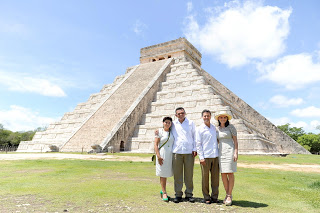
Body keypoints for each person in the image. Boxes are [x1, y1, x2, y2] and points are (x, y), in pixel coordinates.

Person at [171, 107, 197, 203]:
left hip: (189, 151)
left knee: (189, 175)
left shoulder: (191, 123)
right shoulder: (173, 124)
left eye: (182, 113)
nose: (181, 115)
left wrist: (195, 148)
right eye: (179, 113)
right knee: (177, 175)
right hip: (177, 152)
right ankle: (178, 194)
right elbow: (166, 131)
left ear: (185, 113)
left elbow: (195, 136)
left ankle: (189, 194)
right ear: (176, 115)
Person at [215, 110, 238, 206]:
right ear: (219, 119)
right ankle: (227, 194)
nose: (223, 119)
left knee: (230, 172)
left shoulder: (231, 127)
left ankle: (229, 195)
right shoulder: (217, 129)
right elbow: (216, 141)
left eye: (224, 117)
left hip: (230, 150)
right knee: (223, 173)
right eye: (221, 117)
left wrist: (236, 152)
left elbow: (235, 141)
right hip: (221, 152)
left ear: (227, 118)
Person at [196, 109, 219, 204]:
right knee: (205, 178)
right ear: (202, 117)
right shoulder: (200, 129)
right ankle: (206, 197)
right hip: (205, 156)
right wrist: (201, 157)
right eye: (205, 116)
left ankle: (214, 197)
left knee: (215, 178)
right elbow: (198, 144)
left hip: (215, 155)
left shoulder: (214, 128)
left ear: (210, 116)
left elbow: (218, 140)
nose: (206, 117)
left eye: (208, 116)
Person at [154, 117, 174, 202]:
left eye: (169, 122)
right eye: (166, 122)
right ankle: (164, 191)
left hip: (170, 155)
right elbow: (155, 144)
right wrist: (158, 156)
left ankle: (163, 190)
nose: (167, 124)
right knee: (163, 174)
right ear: (163, 123)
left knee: (167, 173)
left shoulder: (172, 132)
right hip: (162, 155)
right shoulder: (160, 132)